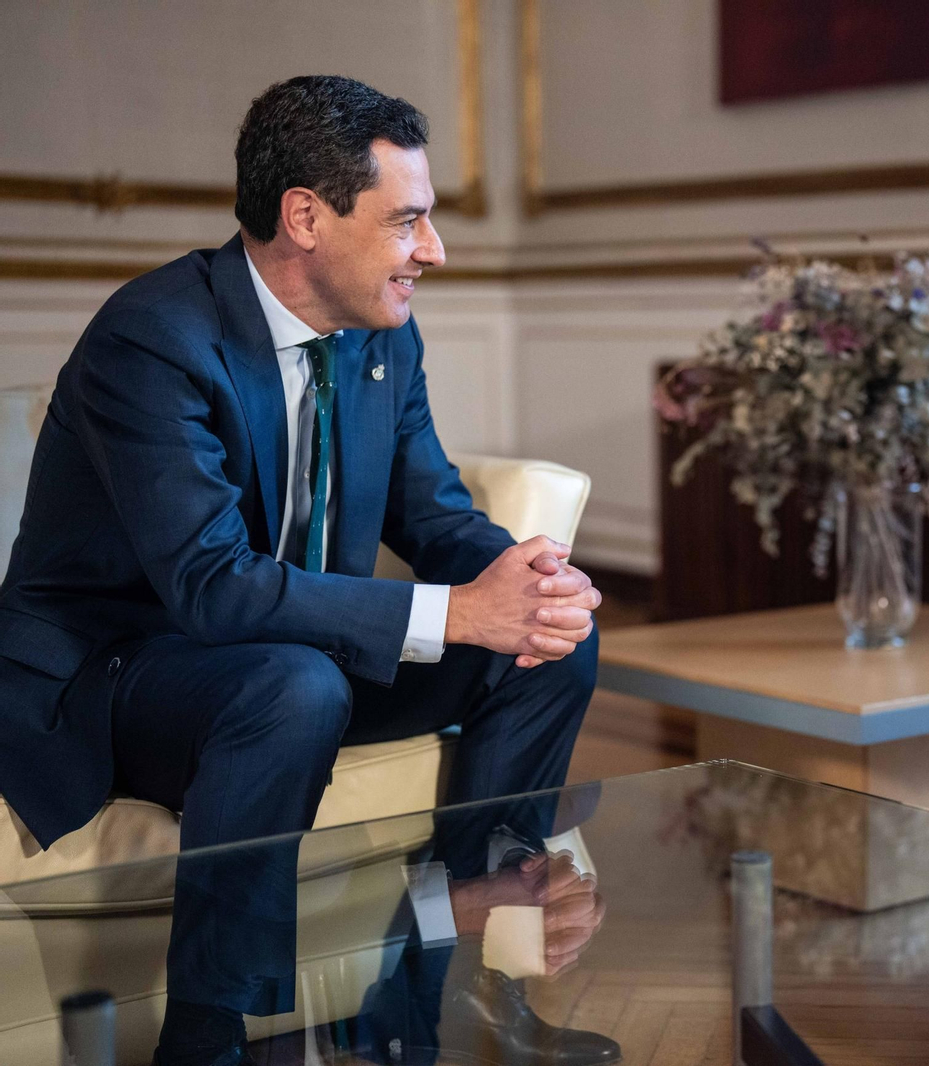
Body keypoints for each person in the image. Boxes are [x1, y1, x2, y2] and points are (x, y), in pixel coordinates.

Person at [0, 75, 615, 1066]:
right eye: (408, 219)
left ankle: (445, 982)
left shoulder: (383, 335)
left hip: (289, 658)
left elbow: (432, 511)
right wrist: (459, 612)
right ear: (306, 218)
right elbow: (210, 583)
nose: (434, 250)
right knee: (294, 684)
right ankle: (207, 1040)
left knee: (546, 651)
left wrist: (522, 582)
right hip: (114, 674)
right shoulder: (153, 338)